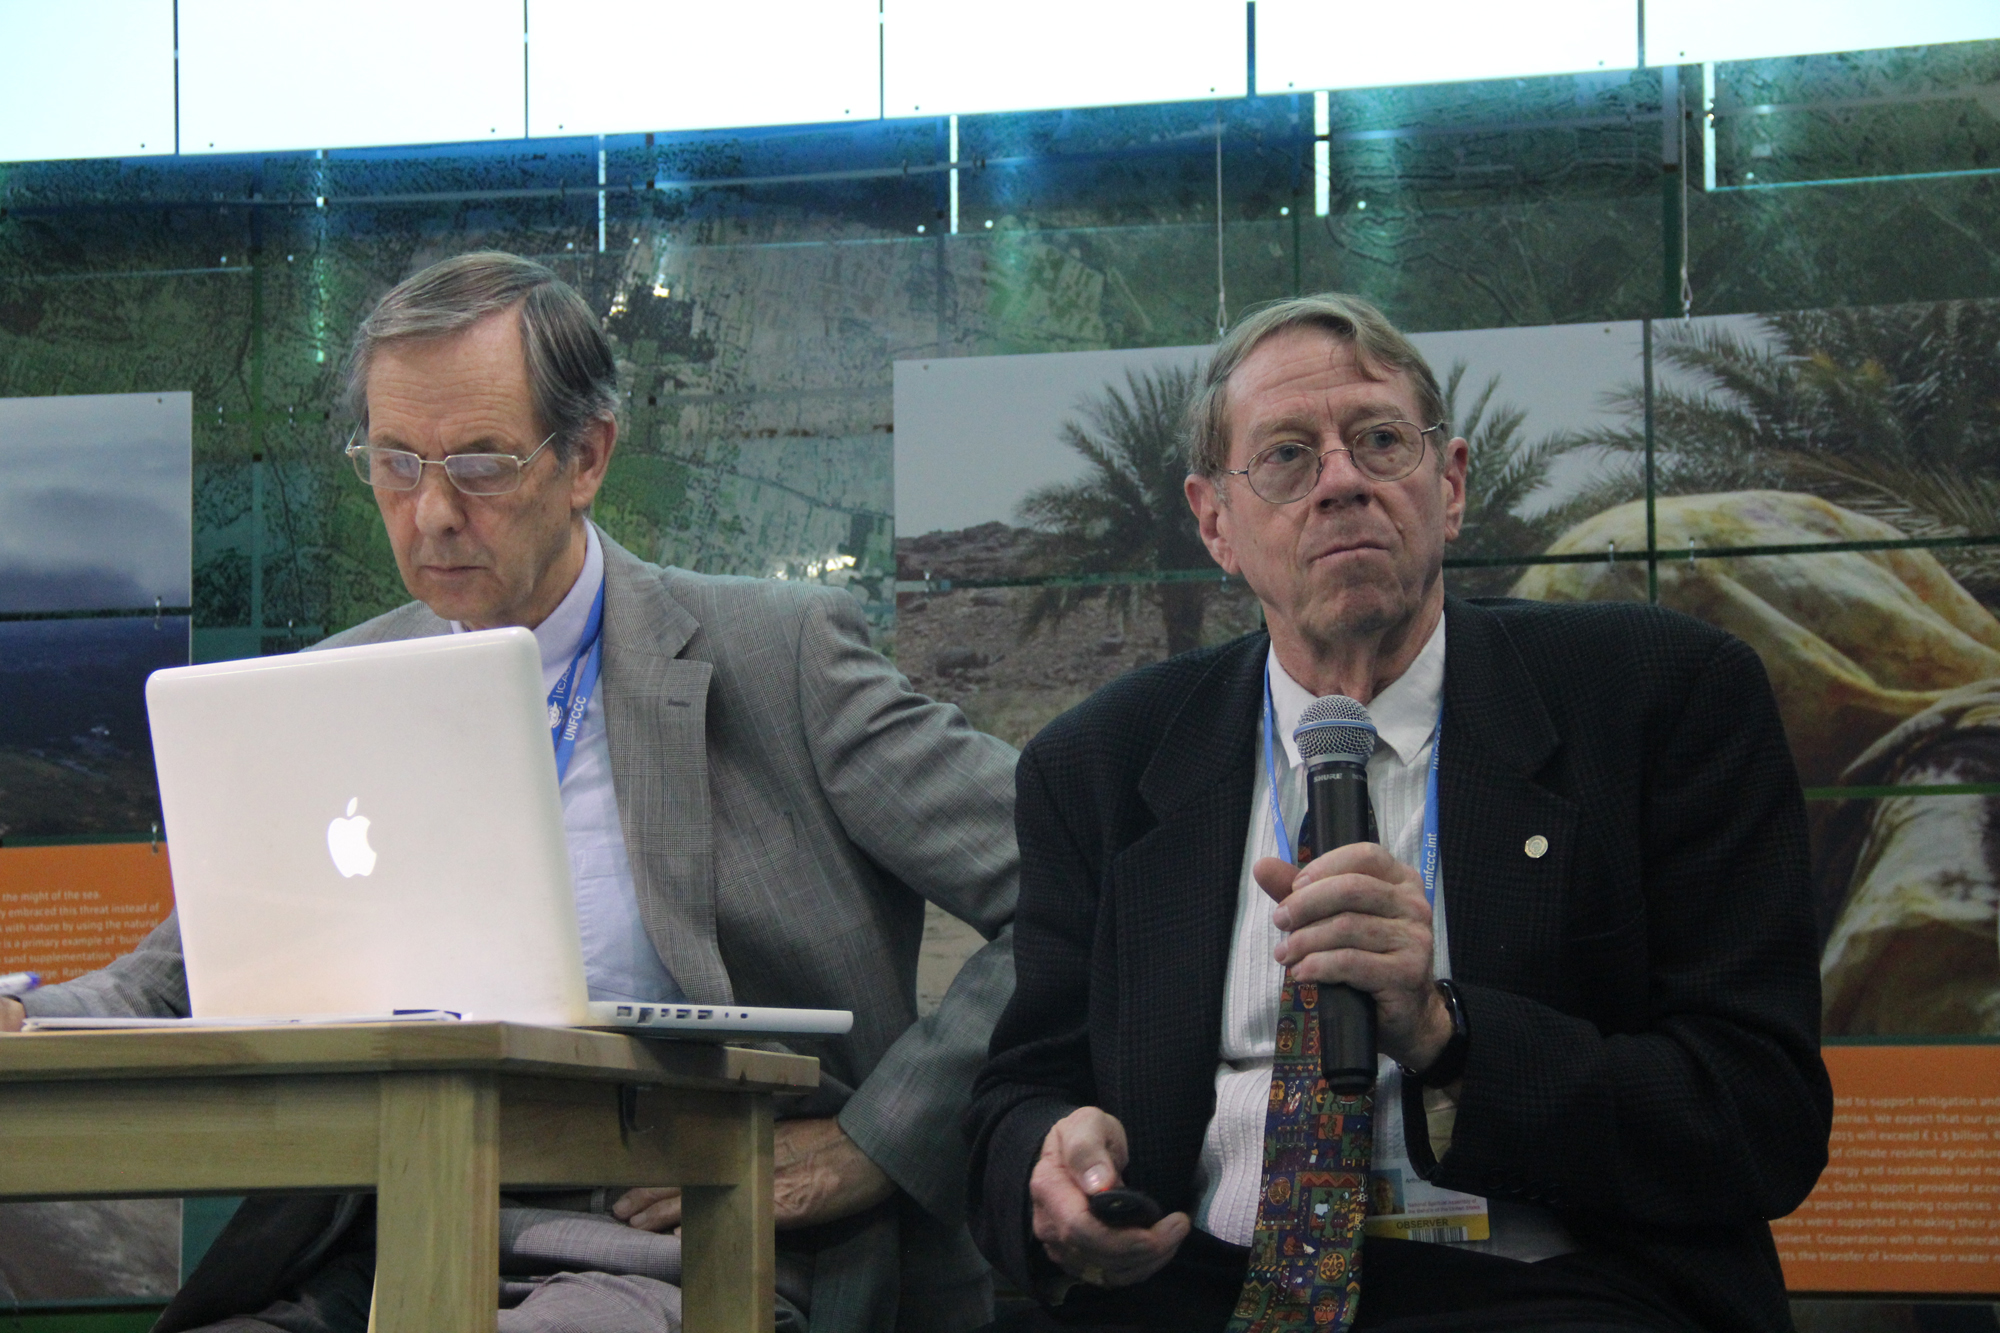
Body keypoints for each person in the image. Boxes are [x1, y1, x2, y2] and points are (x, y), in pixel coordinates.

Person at [3, 252, 1020, 1333]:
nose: (430, 512)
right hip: (393, 1239)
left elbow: (1066, 877)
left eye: (479, 465)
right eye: (393, 462)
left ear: (586, 456)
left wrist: (875, 1142)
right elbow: (177, 978)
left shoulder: (778, 656)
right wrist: (23, 1008)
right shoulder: (337, 686)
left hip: (694, 1242)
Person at [965, 293, 1832, 1333]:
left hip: (1552, 1291)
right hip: (1199, 1288)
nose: (1340, 482)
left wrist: (1443, 1031)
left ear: (1449, 483)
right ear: (1213, 524)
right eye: (1286, 456)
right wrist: (1049, 1161)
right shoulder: (1098, 764)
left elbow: (1757, 1112)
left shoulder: (1658, 700)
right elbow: (1017, 1092)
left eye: (1378, 440)